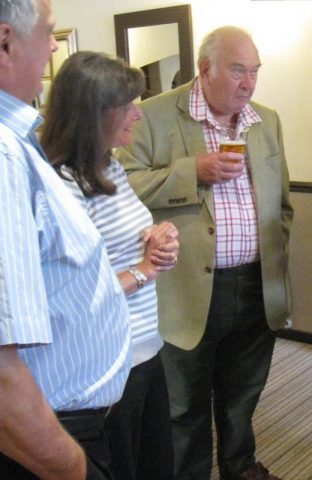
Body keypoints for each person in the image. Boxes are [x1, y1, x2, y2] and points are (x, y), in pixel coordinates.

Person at [116, 26, 293, 480]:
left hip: (256, 283)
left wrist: (272, 253)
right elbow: (122, 186)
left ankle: (239, 467)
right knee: (184, 405)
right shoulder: (151, 116)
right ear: (204, 69)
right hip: (185, 289)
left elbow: (282, 203)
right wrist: (191, 171)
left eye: (254, 72)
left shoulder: (266, 120)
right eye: (238, 71)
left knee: (243, 394)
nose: (248, 83)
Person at [0, 1, 131, 479]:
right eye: (49, 32)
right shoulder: (3, 156)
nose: (55, 45)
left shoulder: (22, 142)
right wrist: (72, 467)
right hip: (48, 439)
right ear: (5, 43)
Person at [40, 51, 180, 480]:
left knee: (157, 464)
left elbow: (123, 239)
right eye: (128, 105)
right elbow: (73, 290)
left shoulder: (111, 166)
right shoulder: (62, 184)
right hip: (107, 361)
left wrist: (159, 233)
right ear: (94, 111)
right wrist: (143, 271)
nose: (138, 115)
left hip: (144, 344)